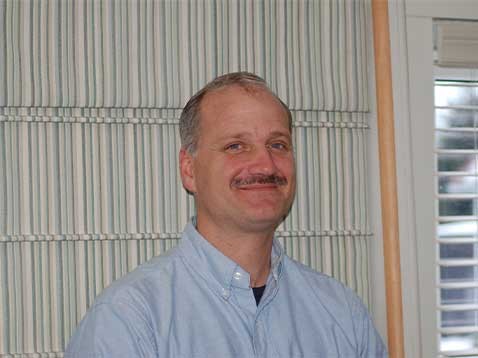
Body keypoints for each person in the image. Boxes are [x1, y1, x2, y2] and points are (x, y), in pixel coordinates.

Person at [66, 72, 387, 357]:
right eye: (236, 146)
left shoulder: (342, 312)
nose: (265, 164)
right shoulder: (130, 320)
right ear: (188, 170)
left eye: (278, 144)